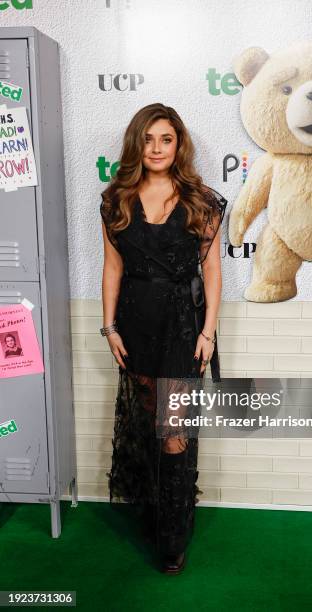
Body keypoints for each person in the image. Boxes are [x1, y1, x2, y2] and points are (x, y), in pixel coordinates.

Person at [99, 102, 227, 574]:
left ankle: (172, 538)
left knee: (173, 433)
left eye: (166, 139)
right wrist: (109, 326)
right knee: (146, 425)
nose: (156, 148)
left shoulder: (201, 201)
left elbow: (211, 271)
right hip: (134, 324)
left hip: (181, 327)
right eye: (148, 139)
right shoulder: (115, 202)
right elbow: (112, 268)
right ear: (138, 144)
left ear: (178, 145)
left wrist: (208, 331)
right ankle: (153, 517)